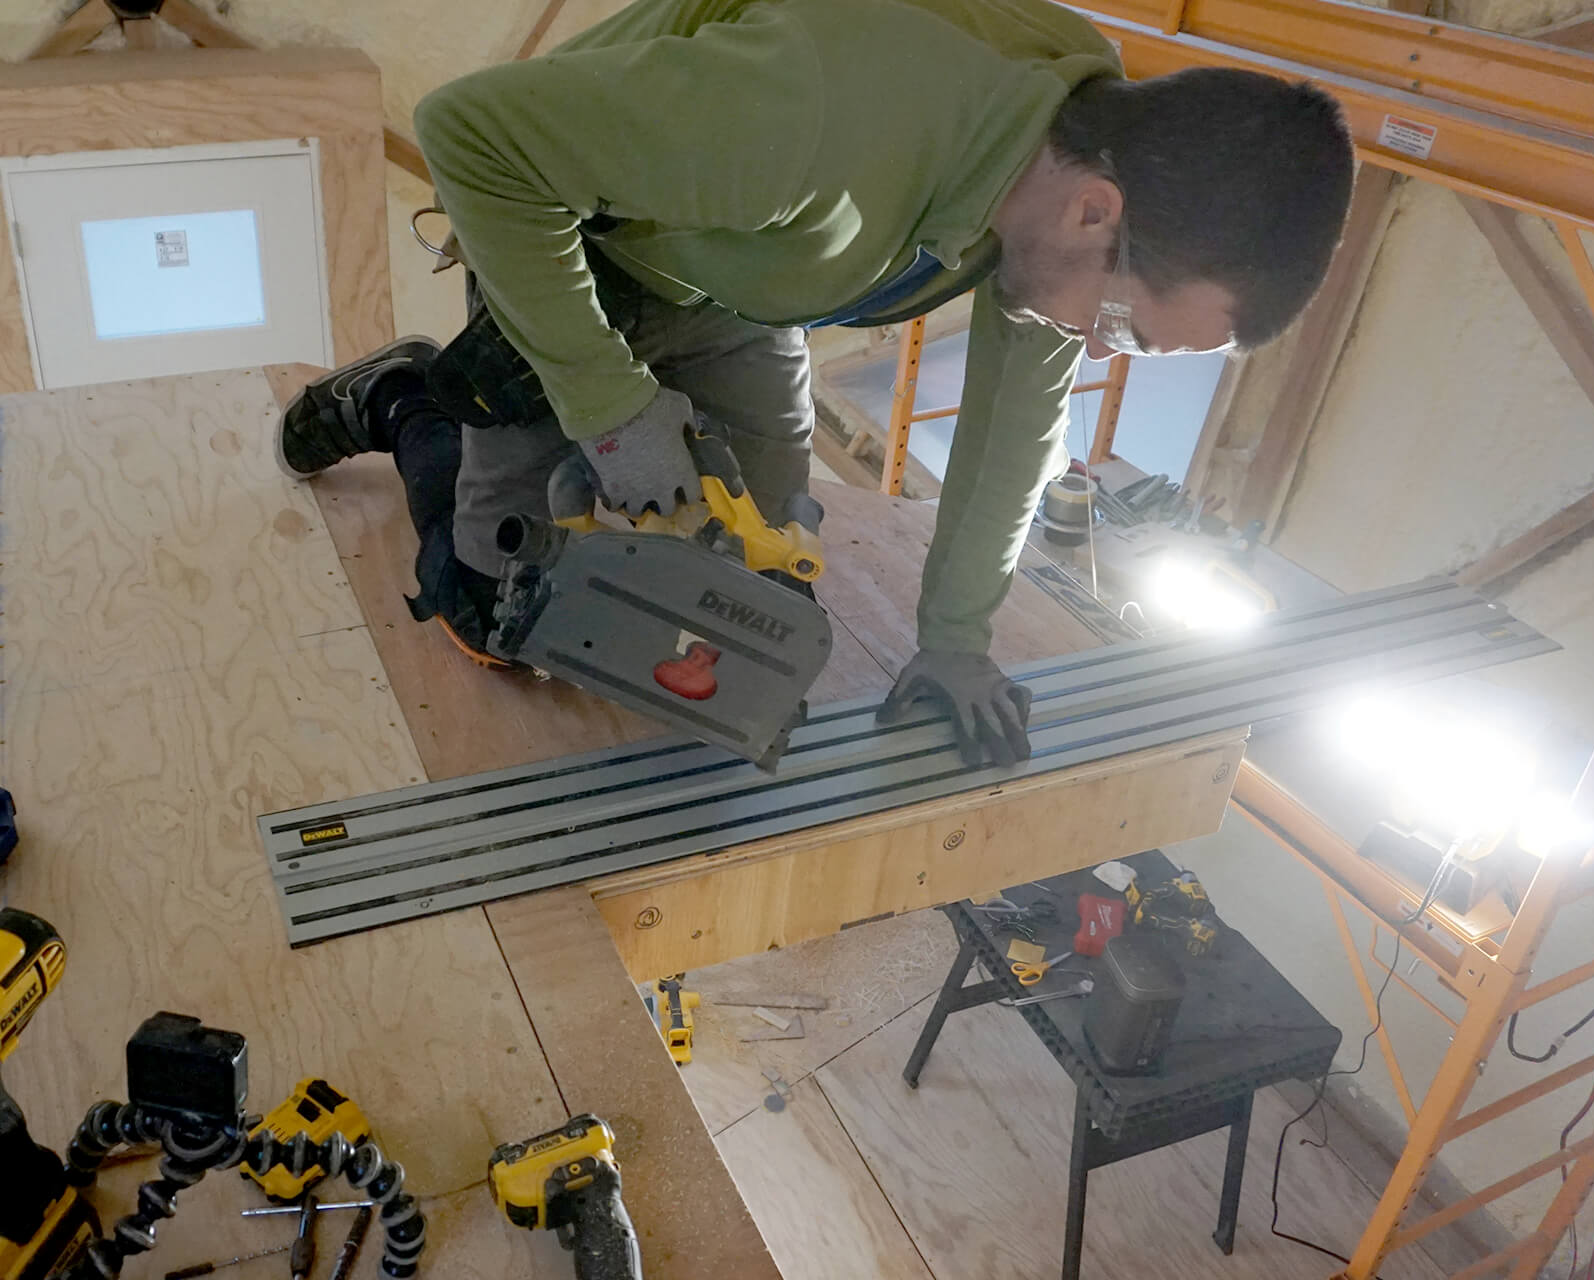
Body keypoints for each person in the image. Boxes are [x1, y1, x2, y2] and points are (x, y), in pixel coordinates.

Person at [275, 0, 1355, 765]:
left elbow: (1011, 437)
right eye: (1122, 327)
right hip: (579, 242)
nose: (1100, 348)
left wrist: (956, 639)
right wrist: (607, 403)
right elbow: (473, 138)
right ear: (1095, 215)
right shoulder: (817, 114)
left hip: (755, 276)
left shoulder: (1070, 176)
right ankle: (405, 400)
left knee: (756, 591)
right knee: (493, 607)